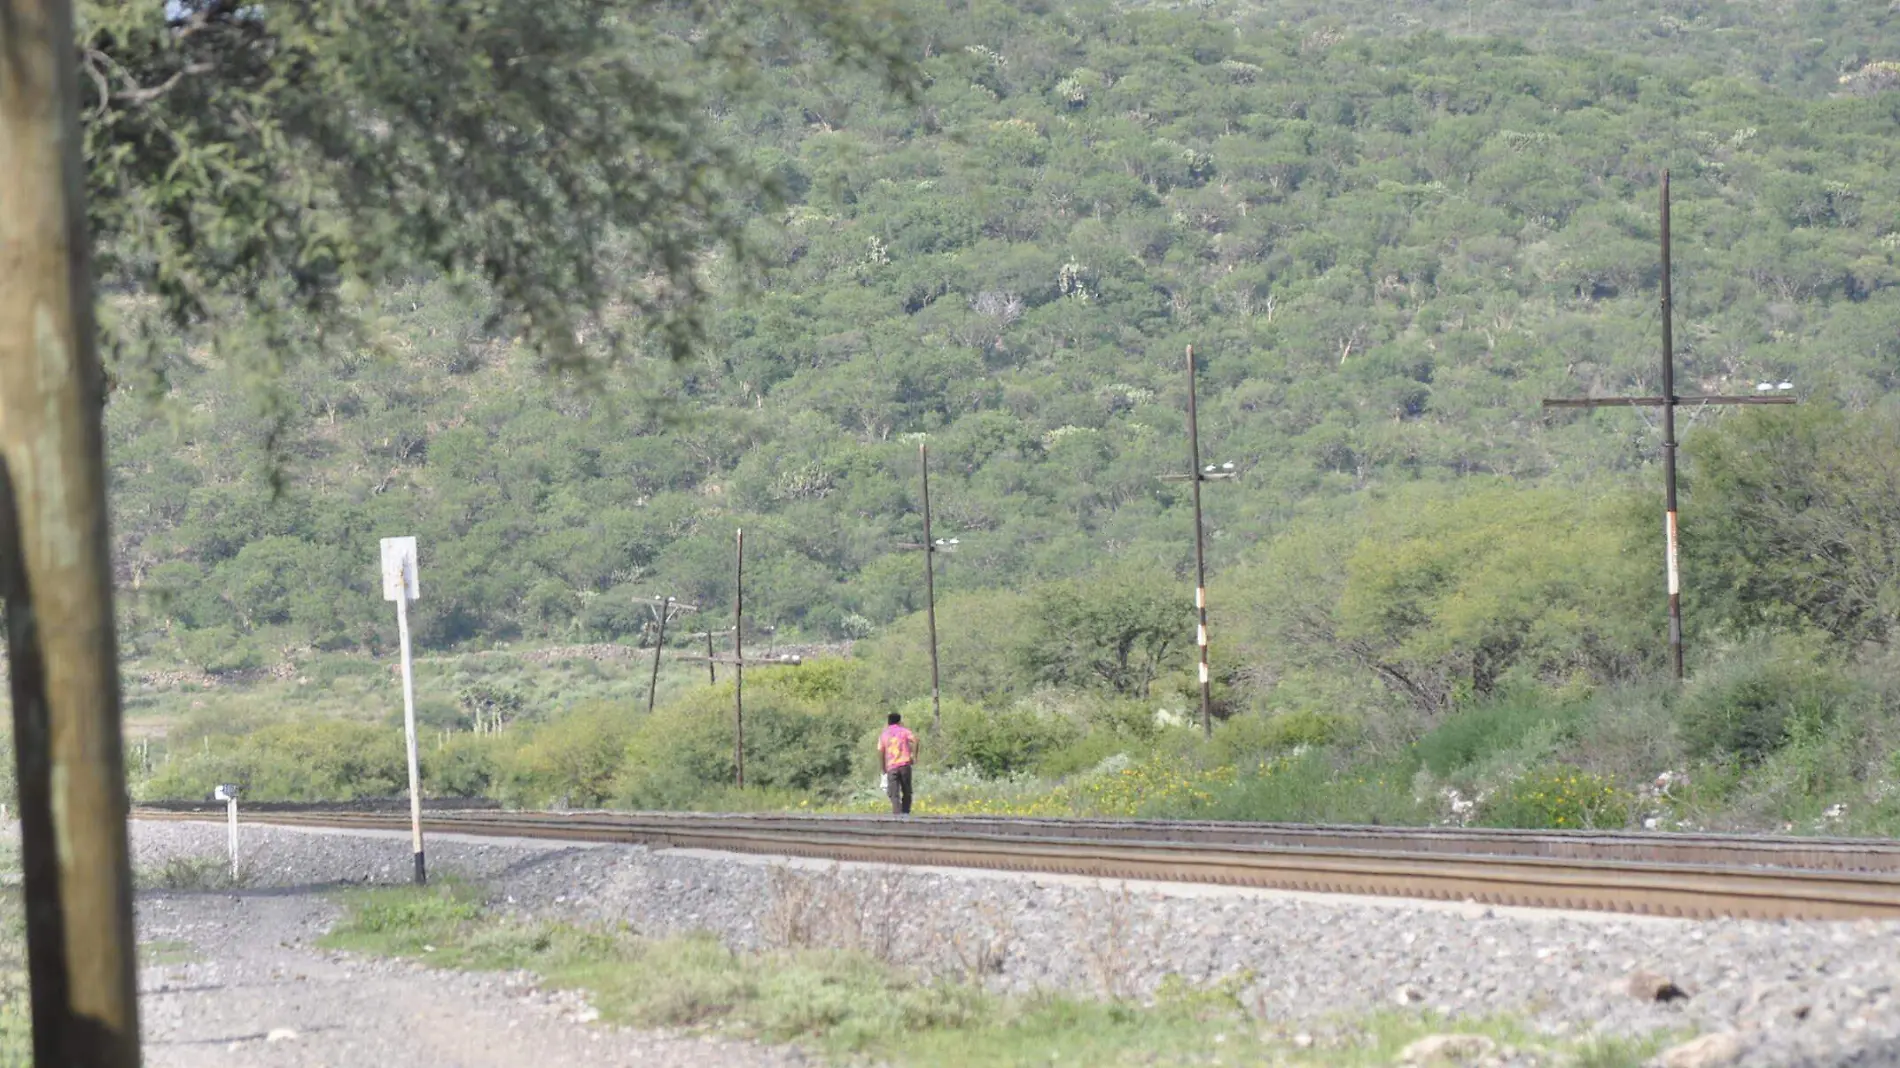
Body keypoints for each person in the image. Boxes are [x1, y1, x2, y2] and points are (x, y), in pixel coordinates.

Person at [878, 711, 917, 815]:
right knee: (907, 791)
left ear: (888, 722)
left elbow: (881, 752)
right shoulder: (904, 731)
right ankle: (905, 813)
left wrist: (883, 768)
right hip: (904, 764)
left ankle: (897, 815)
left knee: (893, 793)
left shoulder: (884, 734)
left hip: (891, 767)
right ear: (899, 720)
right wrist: (914, 756)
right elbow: (916, 740)